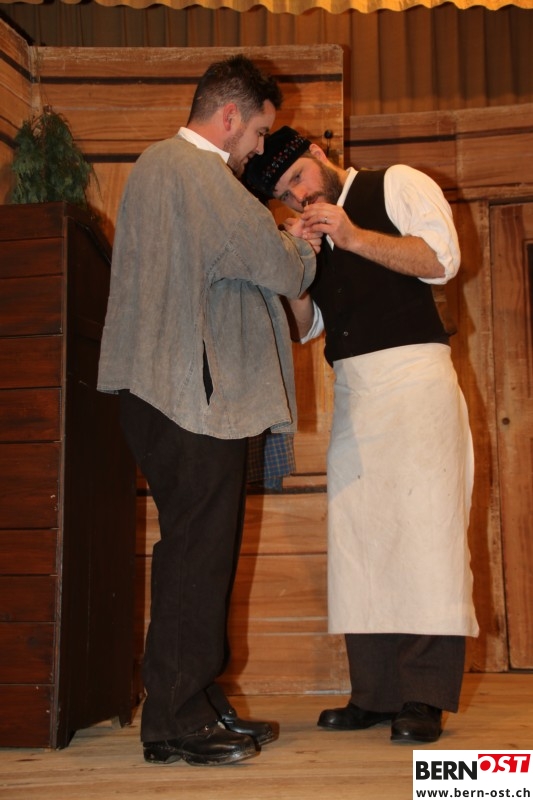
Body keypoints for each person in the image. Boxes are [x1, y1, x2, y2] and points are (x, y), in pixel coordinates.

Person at [97, 63, 316, 766]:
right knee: (199, 555)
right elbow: (280, 268)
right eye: (258, 131)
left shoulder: (154, 168)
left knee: (191, 550)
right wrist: (302, 241)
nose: (259, 147)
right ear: (228, 118)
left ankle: (190, 700)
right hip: (190, 398)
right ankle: (177, 720)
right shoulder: (200, 173)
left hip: (162, 394)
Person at [244, 126, 479, 744]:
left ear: (320, 156)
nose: (298, 197)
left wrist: (350, 235)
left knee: (427, 536)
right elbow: (306, 327)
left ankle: (424, 697)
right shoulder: (309, 231)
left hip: (417, 380)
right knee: (361, 540)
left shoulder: (395, 184)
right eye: (285, 195)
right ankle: (374, 695)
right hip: (355, 391)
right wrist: (295, 270)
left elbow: (442, 260)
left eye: (299, 178)